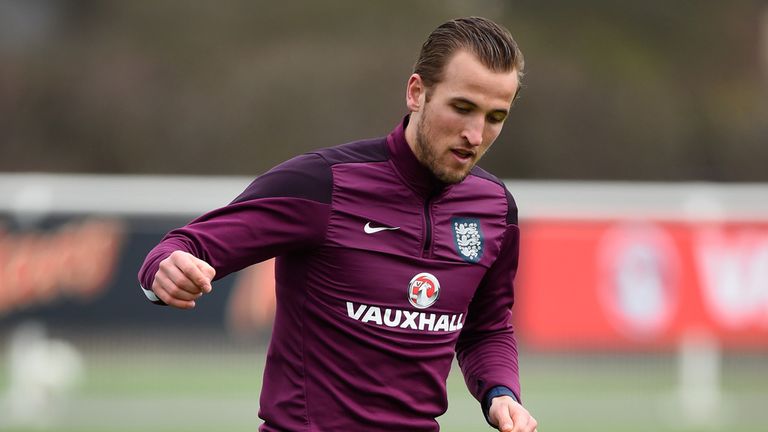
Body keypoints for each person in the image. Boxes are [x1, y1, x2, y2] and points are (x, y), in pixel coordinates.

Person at [138, 16, 537, 432]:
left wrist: (501, 393)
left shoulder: (495, 209)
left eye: (495, 117)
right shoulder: (322, 184)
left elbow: (486, 327)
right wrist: (163, 270)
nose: (476, 134)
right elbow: (184, 246)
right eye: (462, 108)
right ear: (417, 92)